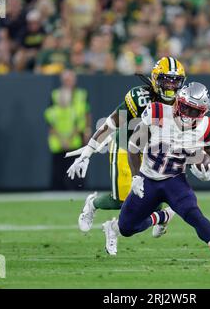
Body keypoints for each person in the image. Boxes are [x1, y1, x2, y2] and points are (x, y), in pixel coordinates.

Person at [101, 82, 210, 264]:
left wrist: (209, 171)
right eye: (185, 108)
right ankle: (162, 216)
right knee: (126, 228)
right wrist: (135, 176)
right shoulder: (158, 113)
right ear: (178, 102)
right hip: (148, 179)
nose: (188, 116)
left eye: (194, 112)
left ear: (203, 112)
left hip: (175, 180)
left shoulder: (208, 127)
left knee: (193, 214)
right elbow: (133, 146)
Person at [67, 57, 186, 236]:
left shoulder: (183, 103)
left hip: (153, 150)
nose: (170, 86)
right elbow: (112, 122)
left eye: (174, 81)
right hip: (125, 144)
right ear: (155, 79)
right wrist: (88, 152)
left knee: (158, 193)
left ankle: (161, 217)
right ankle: (92, 204)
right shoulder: (139, 98)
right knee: (124, 200)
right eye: (166, 81)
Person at [45, 70, 91, 190]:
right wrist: (61, 138)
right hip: (59, 138)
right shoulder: (55, 96)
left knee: (78, 162)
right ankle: (58, 188)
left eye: (70, 79)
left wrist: (86, 130)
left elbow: (86, 115)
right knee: (59, 166)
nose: (69, 82)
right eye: (66, 80)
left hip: (76, 135)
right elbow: (50, 121)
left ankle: (78, 187)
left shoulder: (81, 94)